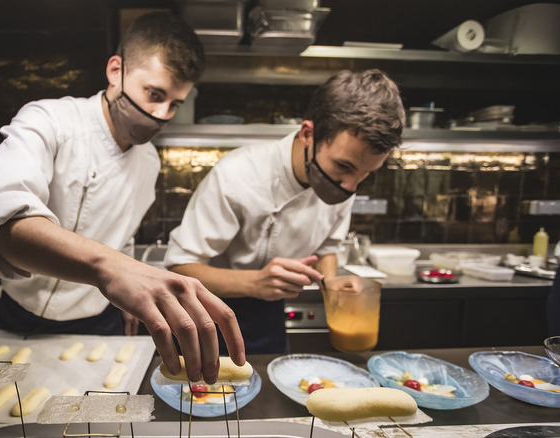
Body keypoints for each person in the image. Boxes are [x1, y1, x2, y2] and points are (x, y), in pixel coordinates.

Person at [0, 11, 244, 384]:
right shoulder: (48, 120)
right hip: (19, 313)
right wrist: (113, 269)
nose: (162, 115)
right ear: (116, 70)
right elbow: (3, 226)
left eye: (175, 104)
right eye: (154, 95)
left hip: (100, 321)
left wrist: (128, 289)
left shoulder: (149, 162)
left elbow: (122, 235)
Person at [164, 69, 405, 354]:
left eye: (367, 174)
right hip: (209, 310)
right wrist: (255, 283)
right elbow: (180, 266)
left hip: (270, 314)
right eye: (344, 167)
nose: (351, 186)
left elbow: (327, 248)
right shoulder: (237, 174)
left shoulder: (345, 182)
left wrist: (332, 281)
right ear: (308, 134)